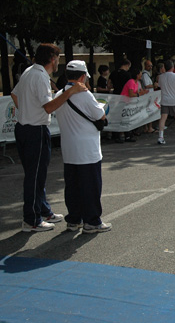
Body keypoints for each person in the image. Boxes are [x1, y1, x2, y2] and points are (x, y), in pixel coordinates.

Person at [11, 43, 87, 232]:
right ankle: (31, 220)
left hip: (25, 128)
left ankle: (43, 210)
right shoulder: (40, 76)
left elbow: (14, 94)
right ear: (52, 58)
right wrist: (70, 91)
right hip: (34, 130)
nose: (58, 62)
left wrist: (27, 112)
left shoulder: (29, 71)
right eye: (58, 58)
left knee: (38, 173)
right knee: (34, 176)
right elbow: (49, 107)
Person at [54, 60, 111, 233]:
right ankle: (92, 221)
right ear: (83, 76)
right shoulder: (85, 94)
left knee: (72, 187)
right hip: (87, 150)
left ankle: (73, 219)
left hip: (69, 150)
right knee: (90, 187)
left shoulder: (59, 94)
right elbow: (100, 115)